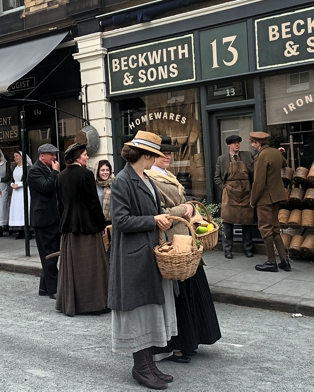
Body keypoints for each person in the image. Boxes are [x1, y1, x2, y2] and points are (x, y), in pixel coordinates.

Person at [109, 131, 176, 390]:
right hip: (132, 256)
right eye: (155, 155)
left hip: (147, 250)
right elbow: (120, 221)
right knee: (138, 311)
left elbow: (152, 211)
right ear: (146, 155)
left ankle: (149, 364)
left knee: (148, 310)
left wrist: (161, 218)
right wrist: (153, 220)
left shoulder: (145, 177)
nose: (157, 160)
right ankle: (141, 367)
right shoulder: (122, 180)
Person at [146, 138, 221, 364]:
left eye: (170, 153)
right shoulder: (151, 177)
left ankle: (191, 340)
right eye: (163, 154)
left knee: (189, 292)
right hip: (172, 244)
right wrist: (185, 207)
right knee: (177, 296)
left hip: (183, 241)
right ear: (152, 156)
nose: (168, 157)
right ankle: (178, 345)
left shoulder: (166, 175)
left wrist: (189, 209)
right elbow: (158, 212)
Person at [55, 141, 110, 316]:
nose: (87, 157)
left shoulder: (60, 176)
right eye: (85, 154)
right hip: (87, 226)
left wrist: (64, 222)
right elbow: (93, 203)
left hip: (69, 227)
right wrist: (102, 225)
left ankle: (71, 303)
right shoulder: (86, 175)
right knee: (92, 266)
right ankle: (93, 304)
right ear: (78, 157)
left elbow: (60, 205)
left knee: (73, 266)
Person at [249, 131, 290, 272]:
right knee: (275, 228)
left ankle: (271, 262)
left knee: (266, 229)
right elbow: (284, 163)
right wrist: (279, 152)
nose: (251, 145)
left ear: (258, 143)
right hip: (277, 196)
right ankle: (285, 261)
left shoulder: (261, 156)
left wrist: (253, 200)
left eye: (252, 143)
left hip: (265, 198)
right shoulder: (275, 153)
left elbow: (258, 183)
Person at [214, 134, 257, 259]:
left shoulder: (248, 155)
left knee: (247, 222)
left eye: (238, 142)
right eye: (234, 143)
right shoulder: (222, 159)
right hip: (229, 194)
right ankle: (227, 250)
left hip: (246, 193)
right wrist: (224, 188)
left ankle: (248, 249)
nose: (236, 144)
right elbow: (217, 177)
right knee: (227, 223)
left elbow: (255, 171)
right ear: (229, 145)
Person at [28, 143, 61, 299]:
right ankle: (53, 289)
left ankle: (44, 287)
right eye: (51, 154)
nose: (54, 157)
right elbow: (46, 187)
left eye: (55, 154)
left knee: (51, 253)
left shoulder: (47, 169)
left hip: (52, 217)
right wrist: (55, 173)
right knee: (49, 255)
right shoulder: (34, 171)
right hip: (43, 219)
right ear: (42, 156)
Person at [96, 160, 113, 251]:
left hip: (112, 222)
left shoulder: (114, 183)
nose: (105, 172)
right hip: (98, 222)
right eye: (102, 170)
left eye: (107, 170)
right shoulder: (93, 185)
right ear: (97, 171)